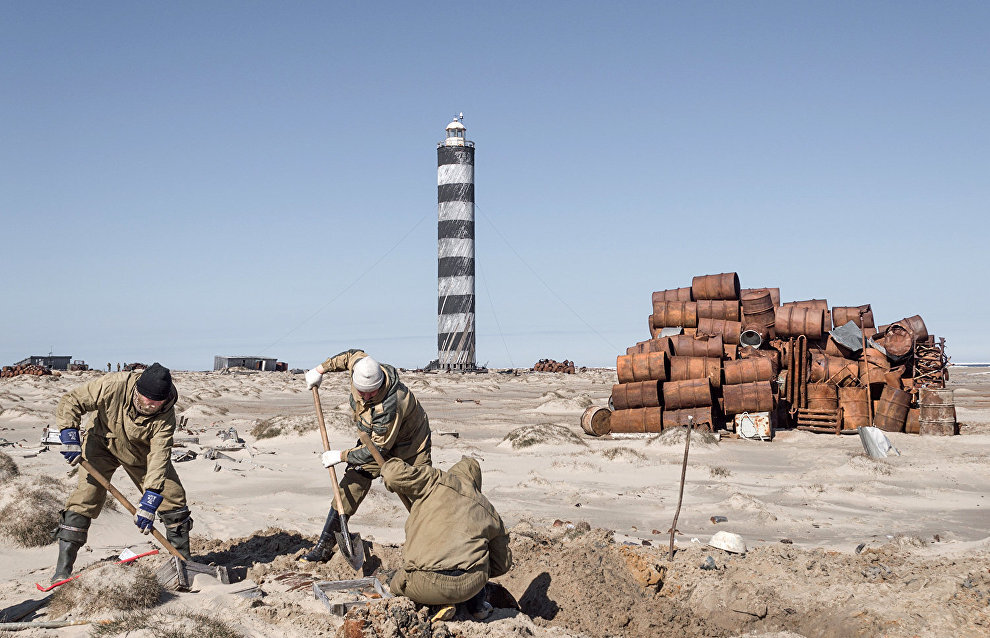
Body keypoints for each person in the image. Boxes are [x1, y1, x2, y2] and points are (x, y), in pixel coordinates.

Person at [52, 363, 193, 582]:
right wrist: (69, 433)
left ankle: (184, 562)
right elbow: (72, 400)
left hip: (140, 453)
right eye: (145, 398)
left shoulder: (166, 416)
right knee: (85, 498)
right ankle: (62, 570)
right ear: (137, 390)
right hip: (101, 442)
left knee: (172, 498)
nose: (150, 404)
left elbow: (159, 456)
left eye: (156, 402)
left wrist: (151, 497)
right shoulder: (113, 385)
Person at [300, 349, 432, 563]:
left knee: (417, 490)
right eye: (363, 392)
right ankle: (324, 545)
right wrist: (319, 370)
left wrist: (341, 456)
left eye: (372, 392)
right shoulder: (362, 367)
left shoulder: (390, 405)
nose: (367, 396)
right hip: (376, 438)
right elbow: (348, 356)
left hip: (411, 445)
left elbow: (377, 451)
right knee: (353, 480)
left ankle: (434, 542)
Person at [380, 456, 511, 621]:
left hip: (424, 582)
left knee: (397, 581)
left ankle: (435, 604)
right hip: (468, 587)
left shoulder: (436, 481)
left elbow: (392, 475)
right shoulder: (487, 508)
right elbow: (502, 564)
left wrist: (391, 458)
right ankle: (476, 607)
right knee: (480, 562)